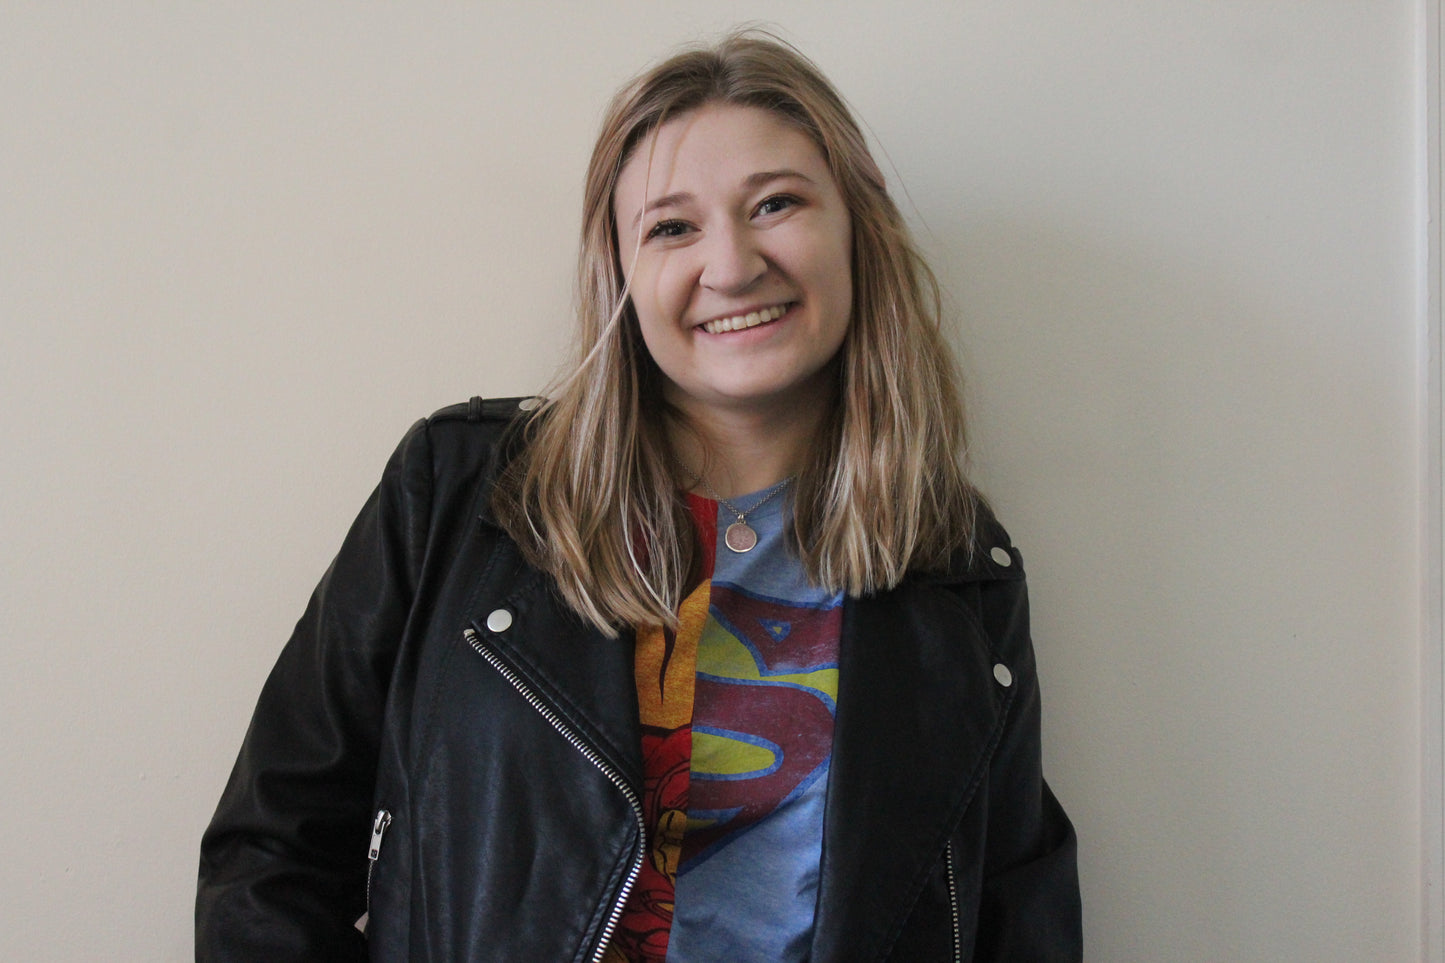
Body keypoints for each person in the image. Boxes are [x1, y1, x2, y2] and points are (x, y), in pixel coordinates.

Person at [197, 30, 1081, 962]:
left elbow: (1016, 914)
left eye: (775, 203)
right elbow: (272, 851)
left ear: (857, 226)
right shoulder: (461, 495)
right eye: (671, 226)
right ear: (618, 269)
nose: (731, 265)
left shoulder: (956, 564)